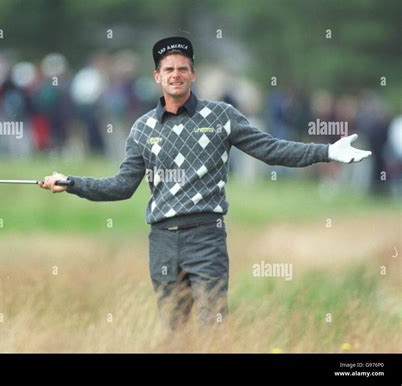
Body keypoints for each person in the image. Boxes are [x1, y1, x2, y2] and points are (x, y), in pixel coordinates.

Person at [40, 37, 372, 331]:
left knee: (213, 326)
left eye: (183, 68)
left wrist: (327, 150)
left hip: (206, 236)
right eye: (168, 69)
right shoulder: (142, 128)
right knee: (174, 330)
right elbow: (121, 186)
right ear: (157, 77)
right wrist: (71, 183)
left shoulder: (221, 116)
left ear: (193, 74)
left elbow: (271, 149)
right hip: (162, 242)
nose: (176, 74)